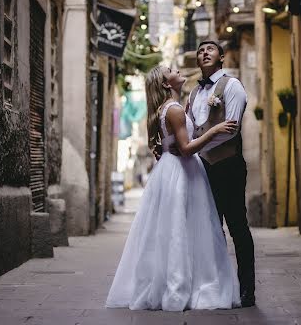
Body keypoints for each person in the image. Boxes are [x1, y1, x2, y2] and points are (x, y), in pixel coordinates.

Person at [106, 65, 241, 312]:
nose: (177, 69)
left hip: (172, 169)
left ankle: (173, 283)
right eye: (171, 70)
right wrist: (215, 130)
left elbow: (168, 145)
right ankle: (181, 287)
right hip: (182, 169)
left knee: (174, 229)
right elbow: (187, 148)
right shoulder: (175, 110)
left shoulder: (169, 108)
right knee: (185, 227)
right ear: (167, 84)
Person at [187, 40, 256, 307]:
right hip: (203, 169)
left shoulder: (232, 86)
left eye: (210, 49)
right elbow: (191, 130)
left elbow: (232, 128)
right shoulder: (193, 94)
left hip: (229, 166)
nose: (204, 52)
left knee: (237, 226)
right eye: (200, 50)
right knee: (210, 229)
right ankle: (214, 287)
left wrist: (197, 145)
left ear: (222, 57)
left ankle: (247, 289)